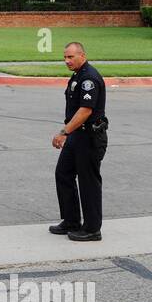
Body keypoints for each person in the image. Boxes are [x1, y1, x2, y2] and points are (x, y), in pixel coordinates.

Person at [50, 42, 108, 242]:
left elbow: (85, 110)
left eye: (70, 57)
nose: (66, 61)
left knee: (88, 182)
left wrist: (64, 132)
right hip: (77, 135)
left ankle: (92, 229)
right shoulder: (77, 75)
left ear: (82, 55)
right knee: (63, 173)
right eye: (65, 57)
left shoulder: (89, 78)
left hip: (89, 138)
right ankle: (72, 220)